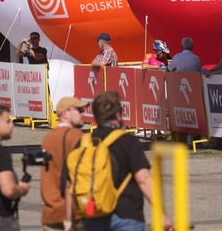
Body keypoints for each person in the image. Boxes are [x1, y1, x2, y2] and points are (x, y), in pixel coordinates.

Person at [66, 90, 171, 231]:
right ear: (118, 114)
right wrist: (162, 214)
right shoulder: (128, 141)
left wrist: (69, 220)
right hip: (126, 215)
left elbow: (69, 183)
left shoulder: (84, 142)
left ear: (96, 116)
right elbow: (144, 179)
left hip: (93, 214)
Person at [41, 97, 88, 231]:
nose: (83, 113)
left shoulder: (48, 137)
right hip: (72, 213)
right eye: (79, 110)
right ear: (65, 113)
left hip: (50, 212)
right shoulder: (76, 136)